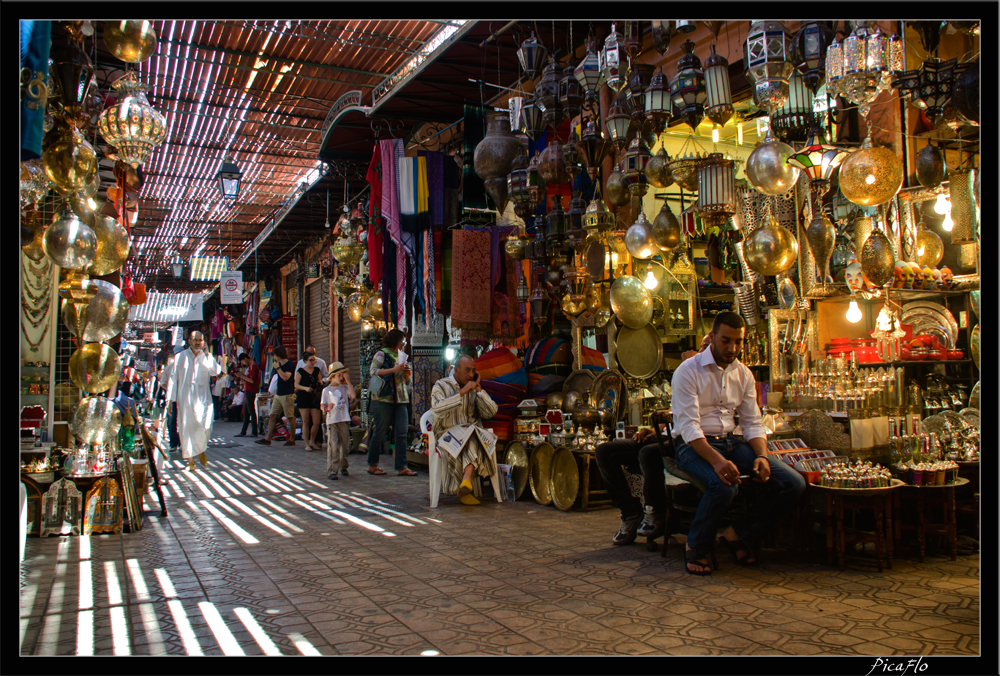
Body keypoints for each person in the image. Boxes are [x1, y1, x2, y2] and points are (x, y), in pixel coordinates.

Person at [671, 312, 806, 575]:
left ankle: (739, 533)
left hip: (732, 443)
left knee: (792, 483)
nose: (732, 348)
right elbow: (688, 427)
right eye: (725, 341)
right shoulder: (687, 371)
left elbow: (753, 422)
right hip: (692, 447)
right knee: (723, 487)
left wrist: (762, 457)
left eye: (738, 342)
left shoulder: (743, 374)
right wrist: (718, 462)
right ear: (712, 337)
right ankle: (695, 545)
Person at [595, 333, 713, 546]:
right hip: (669, 434)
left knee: (647, 453)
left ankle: (654, 511)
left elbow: (700, 418)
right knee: (605, 451)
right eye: (702, 347)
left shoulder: (712, 376)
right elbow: (679, 412)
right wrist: (654, 428)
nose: (702, 352)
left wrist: (689, 366)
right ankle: (630, 513)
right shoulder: (690, 371)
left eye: (707, 348)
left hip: (688, 442)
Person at [430, 354, 500, 505]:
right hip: (447, 436)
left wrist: (479, 390)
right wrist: (461, 393)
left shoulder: (474, 389)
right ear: (456, 369)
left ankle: (466, 483)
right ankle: (464, 487)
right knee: (471, 435)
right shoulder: (441, 385)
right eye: (467, 370)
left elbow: (491, 411)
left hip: (470, 435)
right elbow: (436, 409)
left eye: (473, 371)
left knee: (473, 434)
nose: (471, 374)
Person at [166, 331, 223, 472]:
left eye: (200, 340)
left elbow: (215, 371)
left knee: (206, 426)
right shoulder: (180, 357)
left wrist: (209, 354)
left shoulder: (206, 357)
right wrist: (169, 400)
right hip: (185, 400)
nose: (198, 342)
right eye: (195, 340)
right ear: (189, 341)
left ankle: (200, 448)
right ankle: (191, 461)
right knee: (187, 430)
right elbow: (173, 380)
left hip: (204, 399)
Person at [367, 329, 417, 476]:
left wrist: (407, 374)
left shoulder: (402, 356)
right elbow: (373, 372)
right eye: (402, 341)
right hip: (383, 399)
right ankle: (372, 464)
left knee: (402, 433)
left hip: (401, 398)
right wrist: (393, 369)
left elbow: (406, 381)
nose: (403, 344)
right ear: (395, 341)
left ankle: (402, 466)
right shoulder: (381, 354)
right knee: (380, 432)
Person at [256, 346, 297, 447]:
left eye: (274, 355)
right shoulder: (278, 365)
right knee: (273, 415)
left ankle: (292, 438)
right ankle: (267, 438)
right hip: (279, 394)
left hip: (287, 394)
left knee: (290, 417)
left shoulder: (289, 364)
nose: (273, 357)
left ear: (278, 355)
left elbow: (286, 377)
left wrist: (278, 368)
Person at [321, 362, 356, 480]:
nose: (341, 378)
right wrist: (327, 408)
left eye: (342, 375)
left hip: (344, 419)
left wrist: (348, 381)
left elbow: (353, 396)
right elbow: (322, 406)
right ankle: (332, 469)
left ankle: (343, 466)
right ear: (332, 377)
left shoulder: (344, 388)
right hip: (332, 420)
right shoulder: (326, 390)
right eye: (339, 375)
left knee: (345, 445)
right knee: (334, 445)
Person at [295, 353, 323, 452]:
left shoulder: (316, 370)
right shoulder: (300, 371)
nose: (312, 362)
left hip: (314, 397)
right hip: (303, 396)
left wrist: (319, 385)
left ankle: (312, 441)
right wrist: (305, 388)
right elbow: (296, 385)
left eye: (314, 360)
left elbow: (319, 381)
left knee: (316, 422)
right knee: (306, 421)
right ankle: (307, 443)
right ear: (305, 361)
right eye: (311, 360)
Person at [233, 353, 260, 437]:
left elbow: (252, 380)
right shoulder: (250, 366)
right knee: (246, 411)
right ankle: (243, 431)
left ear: (245, 358)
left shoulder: (253, 366)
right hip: (247, 390)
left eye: (242, 361)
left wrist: (242, 376)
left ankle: (254, 431)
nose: (243, 363)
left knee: (251, 410)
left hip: (251, 390)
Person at [160, 354, 181, 453]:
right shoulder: (168, 369)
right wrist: (170, 388)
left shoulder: (185, 369)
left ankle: (182, 443)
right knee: (171, 421)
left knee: (182, 422)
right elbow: (162, 383)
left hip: (183, 400)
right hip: (171, 399)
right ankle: (173, 443)